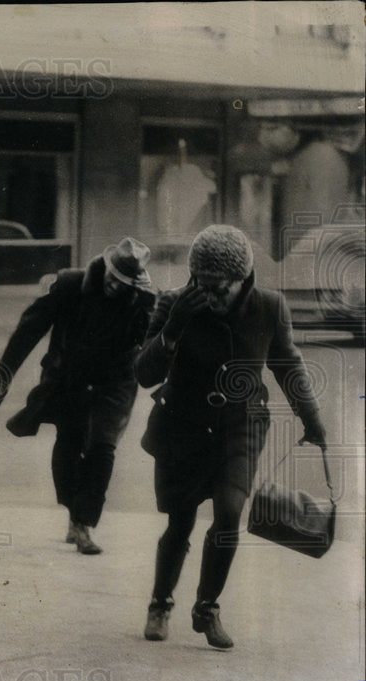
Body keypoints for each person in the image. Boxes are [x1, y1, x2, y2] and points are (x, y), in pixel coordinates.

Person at [135, 224, 326, 648]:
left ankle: (207, 608)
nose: (211, 297)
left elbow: (288, 366)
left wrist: (313, 421)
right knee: (179, 521)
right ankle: (160, 603)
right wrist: (173, 329)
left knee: (228, 513)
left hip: (240, 426)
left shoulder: (269, 307)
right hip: (182, 426)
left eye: (220, 288)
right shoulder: (174, 303)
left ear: (244, 278)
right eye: (202, 286)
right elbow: (143, 372)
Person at [0, 237, 156, 554]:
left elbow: (151, 348)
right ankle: (73, 510)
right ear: (105, 267)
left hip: (116, 379)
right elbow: (30, 328)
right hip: (69, 375)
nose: (115, 287)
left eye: (124, 284)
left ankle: (83, 524)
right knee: (69, 442)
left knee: (103, 447)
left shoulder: (142, 300)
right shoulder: (70, 284)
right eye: (112, 279)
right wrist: (2, 377)